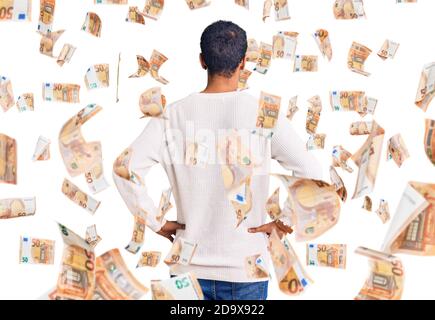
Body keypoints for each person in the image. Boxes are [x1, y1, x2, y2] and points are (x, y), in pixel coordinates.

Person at [113, 20, 322, 300]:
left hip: (186, 271)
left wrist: (156, 221)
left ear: (202, 61)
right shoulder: (263, 114)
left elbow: (124, 168)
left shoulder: (171, 116)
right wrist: (283, 222)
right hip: (246, 270)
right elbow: (310, 171)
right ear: (244, 62)